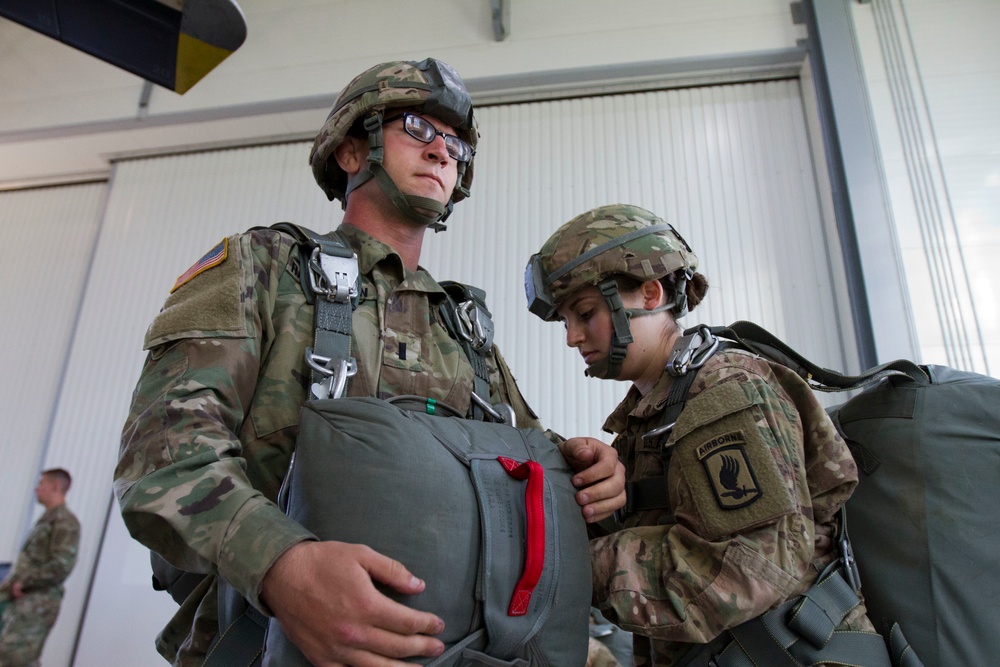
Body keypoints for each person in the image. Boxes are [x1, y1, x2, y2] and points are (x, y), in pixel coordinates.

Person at [115, 58, 625, 667]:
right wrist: (281, 564)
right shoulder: (266, 268)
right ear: (352, 153)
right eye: (417, 127)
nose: (443, 151)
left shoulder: (464, 323)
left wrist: (583, 467)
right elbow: (164, 453)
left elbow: (518, 458)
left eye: (455, 141)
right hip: (268, 643)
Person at [525, 204, 885, 666]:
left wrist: (573, 563)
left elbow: (747, 567)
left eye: (585, 312)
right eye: (565, 321)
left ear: (650, 294)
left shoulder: (722, 390)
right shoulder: (655, 412)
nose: (572, 336)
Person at [0, 468, 80, 667]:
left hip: (38, 602)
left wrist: (25, 582)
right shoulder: (48, 519)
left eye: (41, 484)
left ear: (54, 487)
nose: (37, 489)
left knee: (17, 660)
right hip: (23, 601)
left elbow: (62, 565)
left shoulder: (65, 522)